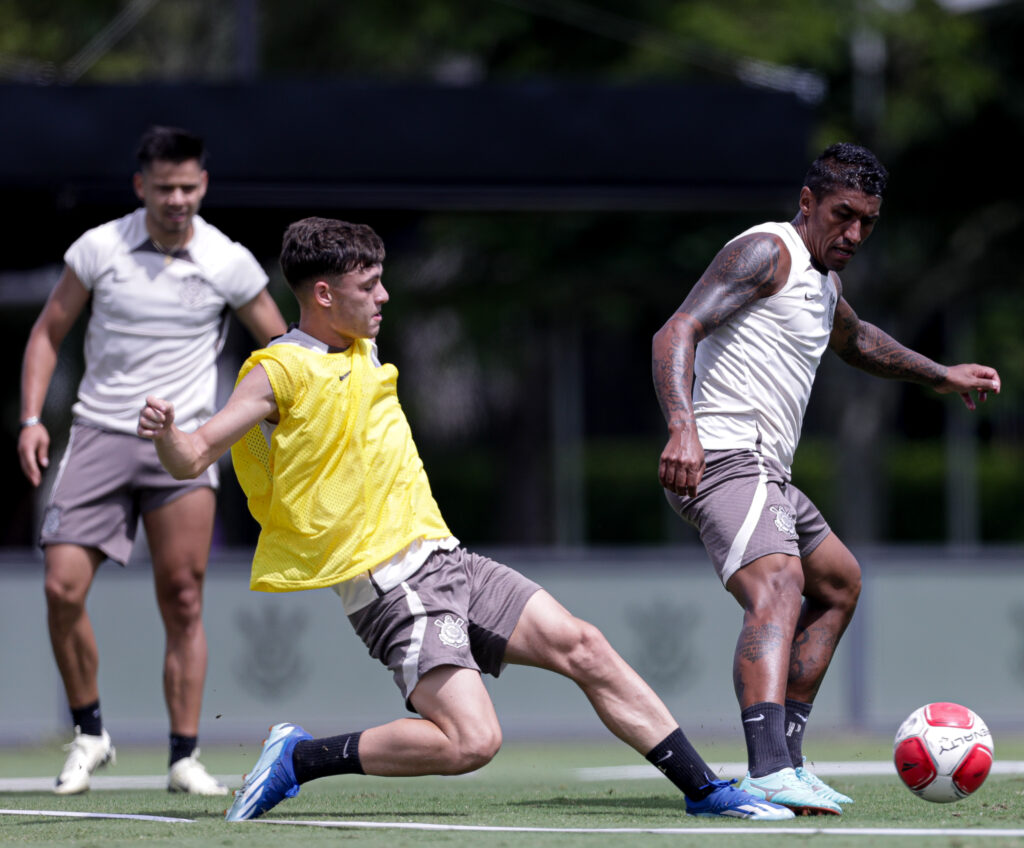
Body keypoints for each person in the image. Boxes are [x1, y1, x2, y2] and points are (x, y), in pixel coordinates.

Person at [137, 216, 793, 823]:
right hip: (390, 585)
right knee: (473, 741)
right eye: (369, 286)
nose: (385, 296)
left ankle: (706, 789)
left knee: (584, 645)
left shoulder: (359, 345)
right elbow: (194, 453)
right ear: (324, 295)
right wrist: (168, 433)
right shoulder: (278, 370)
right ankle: (299, 759)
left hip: (446, 557)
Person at [651, 142, 1001, 815]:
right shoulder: (767, 251)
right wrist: (682, 426)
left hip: (766, 472)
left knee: (838, 582)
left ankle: (788, 760)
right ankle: (765, 771)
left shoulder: (823, 282)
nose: (855, 234)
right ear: (807, 202)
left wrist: (942, 374)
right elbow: (676, 331)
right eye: (843, 215)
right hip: (723, 454)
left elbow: (859, 340)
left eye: (868, 221)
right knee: (780, 581)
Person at [18, 125, 287, 796]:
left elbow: (281, 347)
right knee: (61, 587)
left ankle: (183, 757)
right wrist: (29, 419)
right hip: (100, 433)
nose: (177, 200)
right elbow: (48, 332)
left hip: (187, 445)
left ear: (203, 186)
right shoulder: (100, 248)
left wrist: (273, 428)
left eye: (189, 187)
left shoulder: (228, 260)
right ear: (142, 186)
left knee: (185, 598)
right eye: (164, 188)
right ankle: (90, 733)